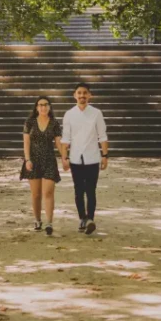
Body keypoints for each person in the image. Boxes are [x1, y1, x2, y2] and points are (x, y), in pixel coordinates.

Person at [61, 82, 108, 235]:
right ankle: (82, 218)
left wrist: (105, 155)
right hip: (75, 158)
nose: (82, 96)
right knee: (78, 190)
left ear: (90, 95)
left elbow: (102, 135)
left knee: (91, 190)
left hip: (93, 157)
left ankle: (90, 219)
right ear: (75, 95)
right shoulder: (69, 114)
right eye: (79, 93)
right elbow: (65, 138)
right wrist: (64, 158)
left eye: (85, 93)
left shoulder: (96, 113)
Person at [20, 96, 63, 235]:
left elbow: (58, 143)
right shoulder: (30, 122)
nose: (43, 107)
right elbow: (26, 143)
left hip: (49, 160)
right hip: (33, 160)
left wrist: (65, 157)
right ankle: (38, 220)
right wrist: (27, 160)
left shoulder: (55, 123)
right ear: (36, 107)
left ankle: (49, 223)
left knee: (48, 192)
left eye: (46, 104)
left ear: (49, 107)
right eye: (40, 105)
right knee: (36, 194)